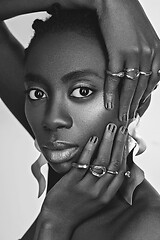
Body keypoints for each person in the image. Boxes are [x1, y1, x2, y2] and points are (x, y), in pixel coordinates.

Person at [0, 1, 160, 239]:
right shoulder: (68, 155)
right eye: (37, 93)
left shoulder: (148, 228)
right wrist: (110, 3)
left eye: (82, 92)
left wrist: (55, 222)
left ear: (138, 100)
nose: (52, 120)